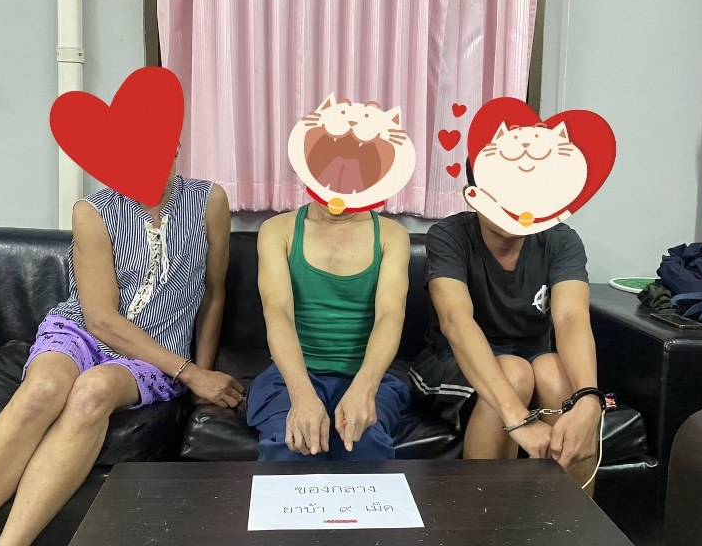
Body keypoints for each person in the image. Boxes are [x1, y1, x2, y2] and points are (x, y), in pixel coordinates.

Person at [0, 151, 243, 546]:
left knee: (93, 392)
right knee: (41, 391)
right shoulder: (93, 211)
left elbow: (213, 295)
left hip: (158, 350)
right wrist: (193, 374)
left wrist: (198, 378)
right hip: (81, 331)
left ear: (174, 149)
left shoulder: (209, 200)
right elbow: (100, 321)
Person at [410, 167, 602, 493]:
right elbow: (456, 321)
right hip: (451, 360)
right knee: (514, 374)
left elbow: (572, 317)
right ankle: (484, 521)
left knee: (557, 376)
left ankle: (573, 519)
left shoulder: (560, 238)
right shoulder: (449, 235)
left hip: (533, 355)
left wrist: (588, 397)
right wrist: (517, 418)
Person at [247, 201, 411, 461]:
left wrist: (365, 388)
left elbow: (390, 313)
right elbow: (277, 311)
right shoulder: (278, 229)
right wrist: (301, 395)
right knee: (295, 446)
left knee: (363, 446)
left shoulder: (392, 234)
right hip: (290, 376)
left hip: (366, 376)